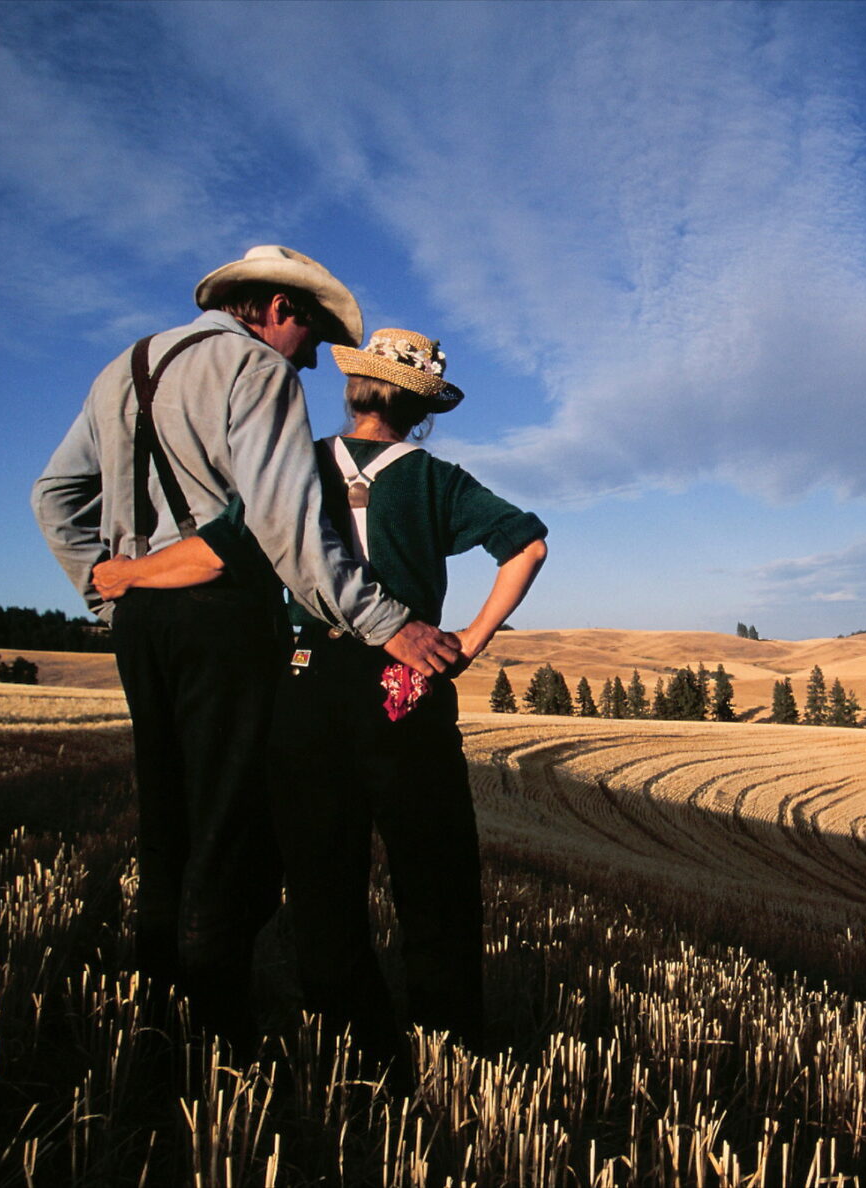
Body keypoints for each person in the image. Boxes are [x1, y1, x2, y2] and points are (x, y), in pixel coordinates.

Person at [33, 248, 464, 1048]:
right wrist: (386, 623)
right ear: (273, 306)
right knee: (231, 830)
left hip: (142, 628)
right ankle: (221, 1032)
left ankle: (159, 1016)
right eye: (312, 328)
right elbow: (284, 523)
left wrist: (104, 591)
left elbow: (53, 495)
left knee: (168, 820)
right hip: (223, 619)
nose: (309, 355)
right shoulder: (254, 370)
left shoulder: (119, 369)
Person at [93, 327, 547, 1057]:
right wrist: (468, 640)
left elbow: (212, 556)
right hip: (410, 681)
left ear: (351, 390)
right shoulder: (437, 480)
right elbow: (528, 545)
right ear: (421, 411)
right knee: (435, 878)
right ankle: (450, 1047)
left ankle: (351, 1043)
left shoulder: (296, 469)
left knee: (321, 882)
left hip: (307, 683)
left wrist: (123, 575)